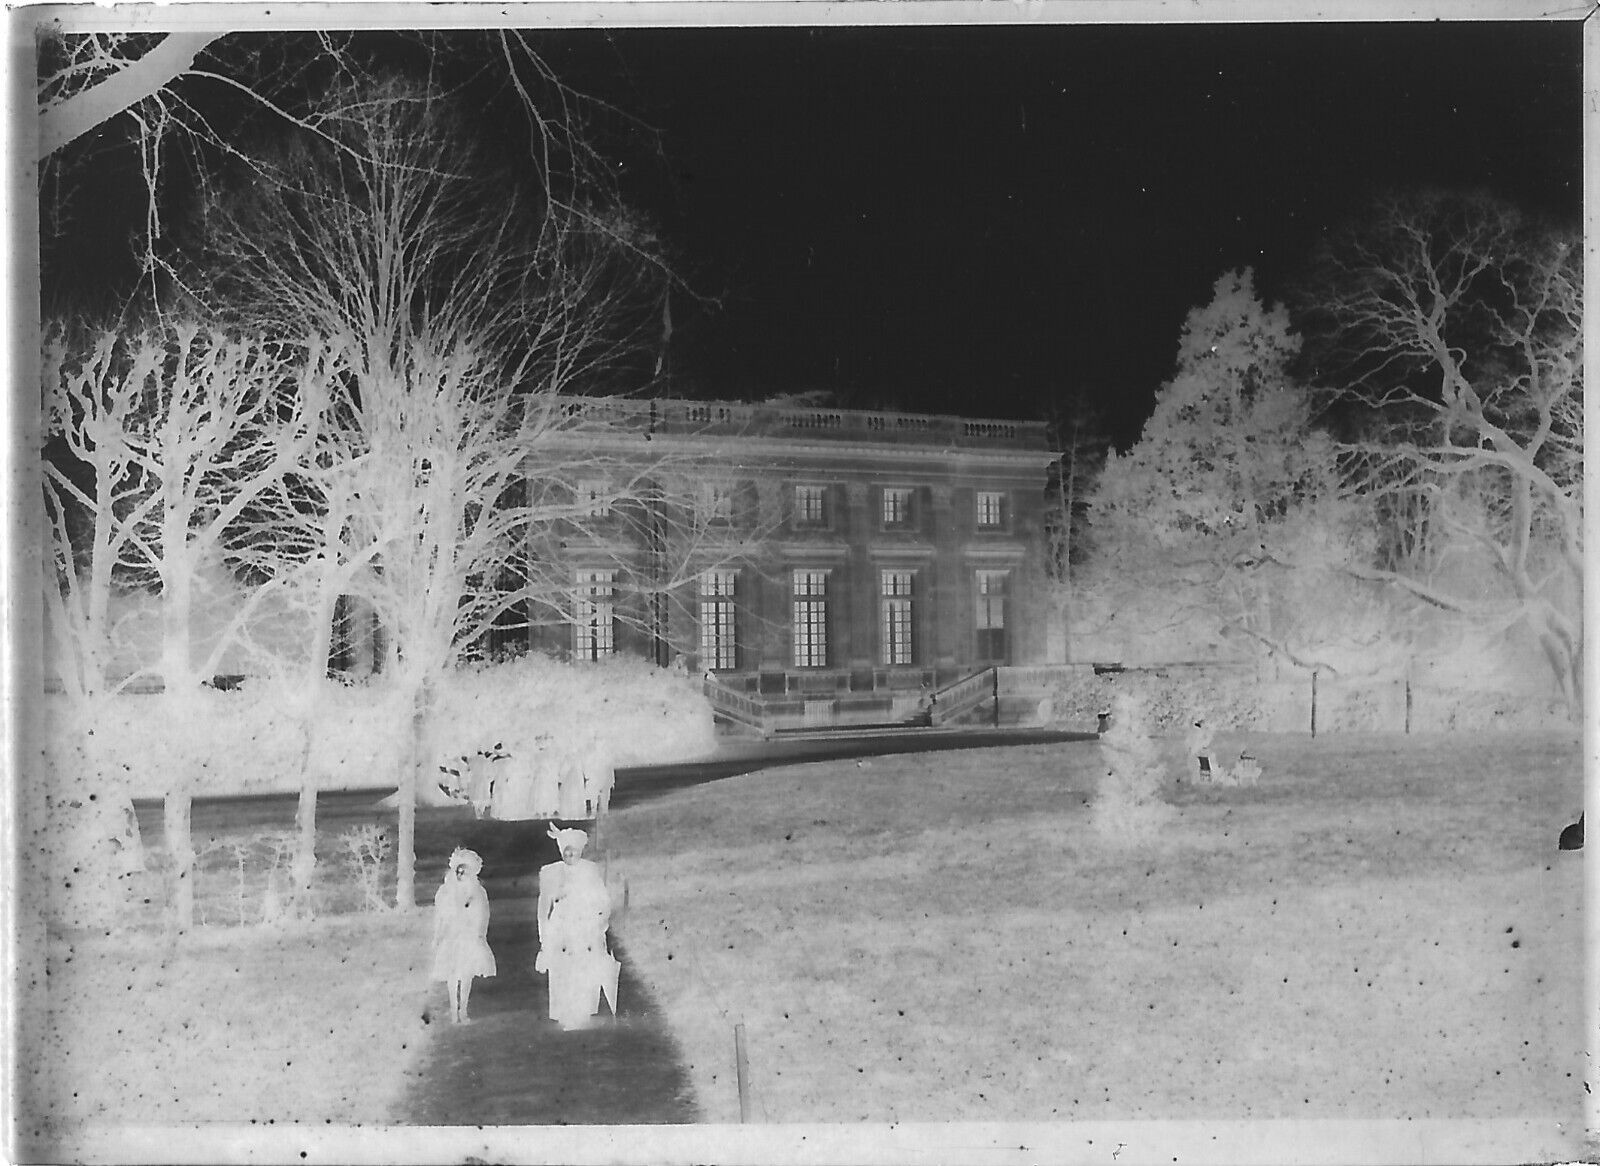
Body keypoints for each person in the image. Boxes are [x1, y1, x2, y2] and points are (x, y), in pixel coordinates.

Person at [534, 825, 619, 1030]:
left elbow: (603, 898)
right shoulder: (550, 872)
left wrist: (599, 920)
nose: (570, 854)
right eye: (566, 850)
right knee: (563, 968)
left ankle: (581, 1011)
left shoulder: (590, 870)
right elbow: (543, 905)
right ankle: (566, 1013)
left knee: (583, 967)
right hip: (561, 925)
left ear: (581, 852)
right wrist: (544, 934)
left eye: (574, 850)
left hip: (584, 924)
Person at [431, 847, 497, 1024]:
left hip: (468, 936)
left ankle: (463, 1010)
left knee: (466, 974)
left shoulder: (477, 892)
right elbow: (440, 916)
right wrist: (437, 937)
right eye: (458, 871)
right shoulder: (446, 891)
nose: (460, 874)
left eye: (464, 871)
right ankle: (453, 1010)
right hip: (451, 936)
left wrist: (479, 934)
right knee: (452, 974)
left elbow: (483, 915)